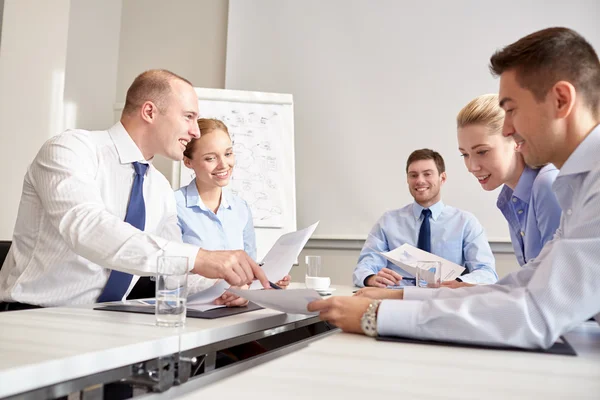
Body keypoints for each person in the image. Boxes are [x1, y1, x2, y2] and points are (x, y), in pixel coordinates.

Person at [309, 27, 600, 349]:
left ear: (561, 100)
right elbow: (521, 287)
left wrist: (377, 315)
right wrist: (398, 298)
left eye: (512, 109)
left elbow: (535, 312)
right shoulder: (578, 184)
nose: (507, 128)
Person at [0, 69, 269, 311]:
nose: (195, 132)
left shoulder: (159, 187)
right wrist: (200, 257)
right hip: (35, 315)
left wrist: (228, 286)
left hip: (104, 318)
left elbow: (173, 269)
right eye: (188, 117)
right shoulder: (71, 149)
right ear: (150, 112)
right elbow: (89, 229)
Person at [175, 118, 290, 307]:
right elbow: (167, 275)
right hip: (190, 314)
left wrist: (266, 283)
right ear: (188, 162)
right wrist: (225, 286)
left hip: (233, 314)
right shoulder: (173, 206)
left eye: (228, 154)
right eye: (210, 158)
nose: (223, 165)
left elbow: (249, 270)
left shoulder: (240, 208)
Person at [353, 149, 497, 288]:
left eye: (427, 174)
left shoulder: (465, 222)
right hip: (397, 299)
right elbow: (364, 267)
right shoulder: (388, 221)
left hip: (445, 299)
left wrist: (458, 282)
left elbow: (487, 273)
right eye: (413, 175)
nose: (420, 181)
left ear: (443, 178)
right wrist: (370, 278)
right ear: (407, 180)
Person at [455, 94, 562, 275]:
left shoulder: (547, 184)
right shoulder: (509, 197)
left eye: (482, 151)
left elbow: (554, 282)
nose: (472, 167)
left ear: (515, 140)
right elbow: (532, 279)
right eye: (464, 154)